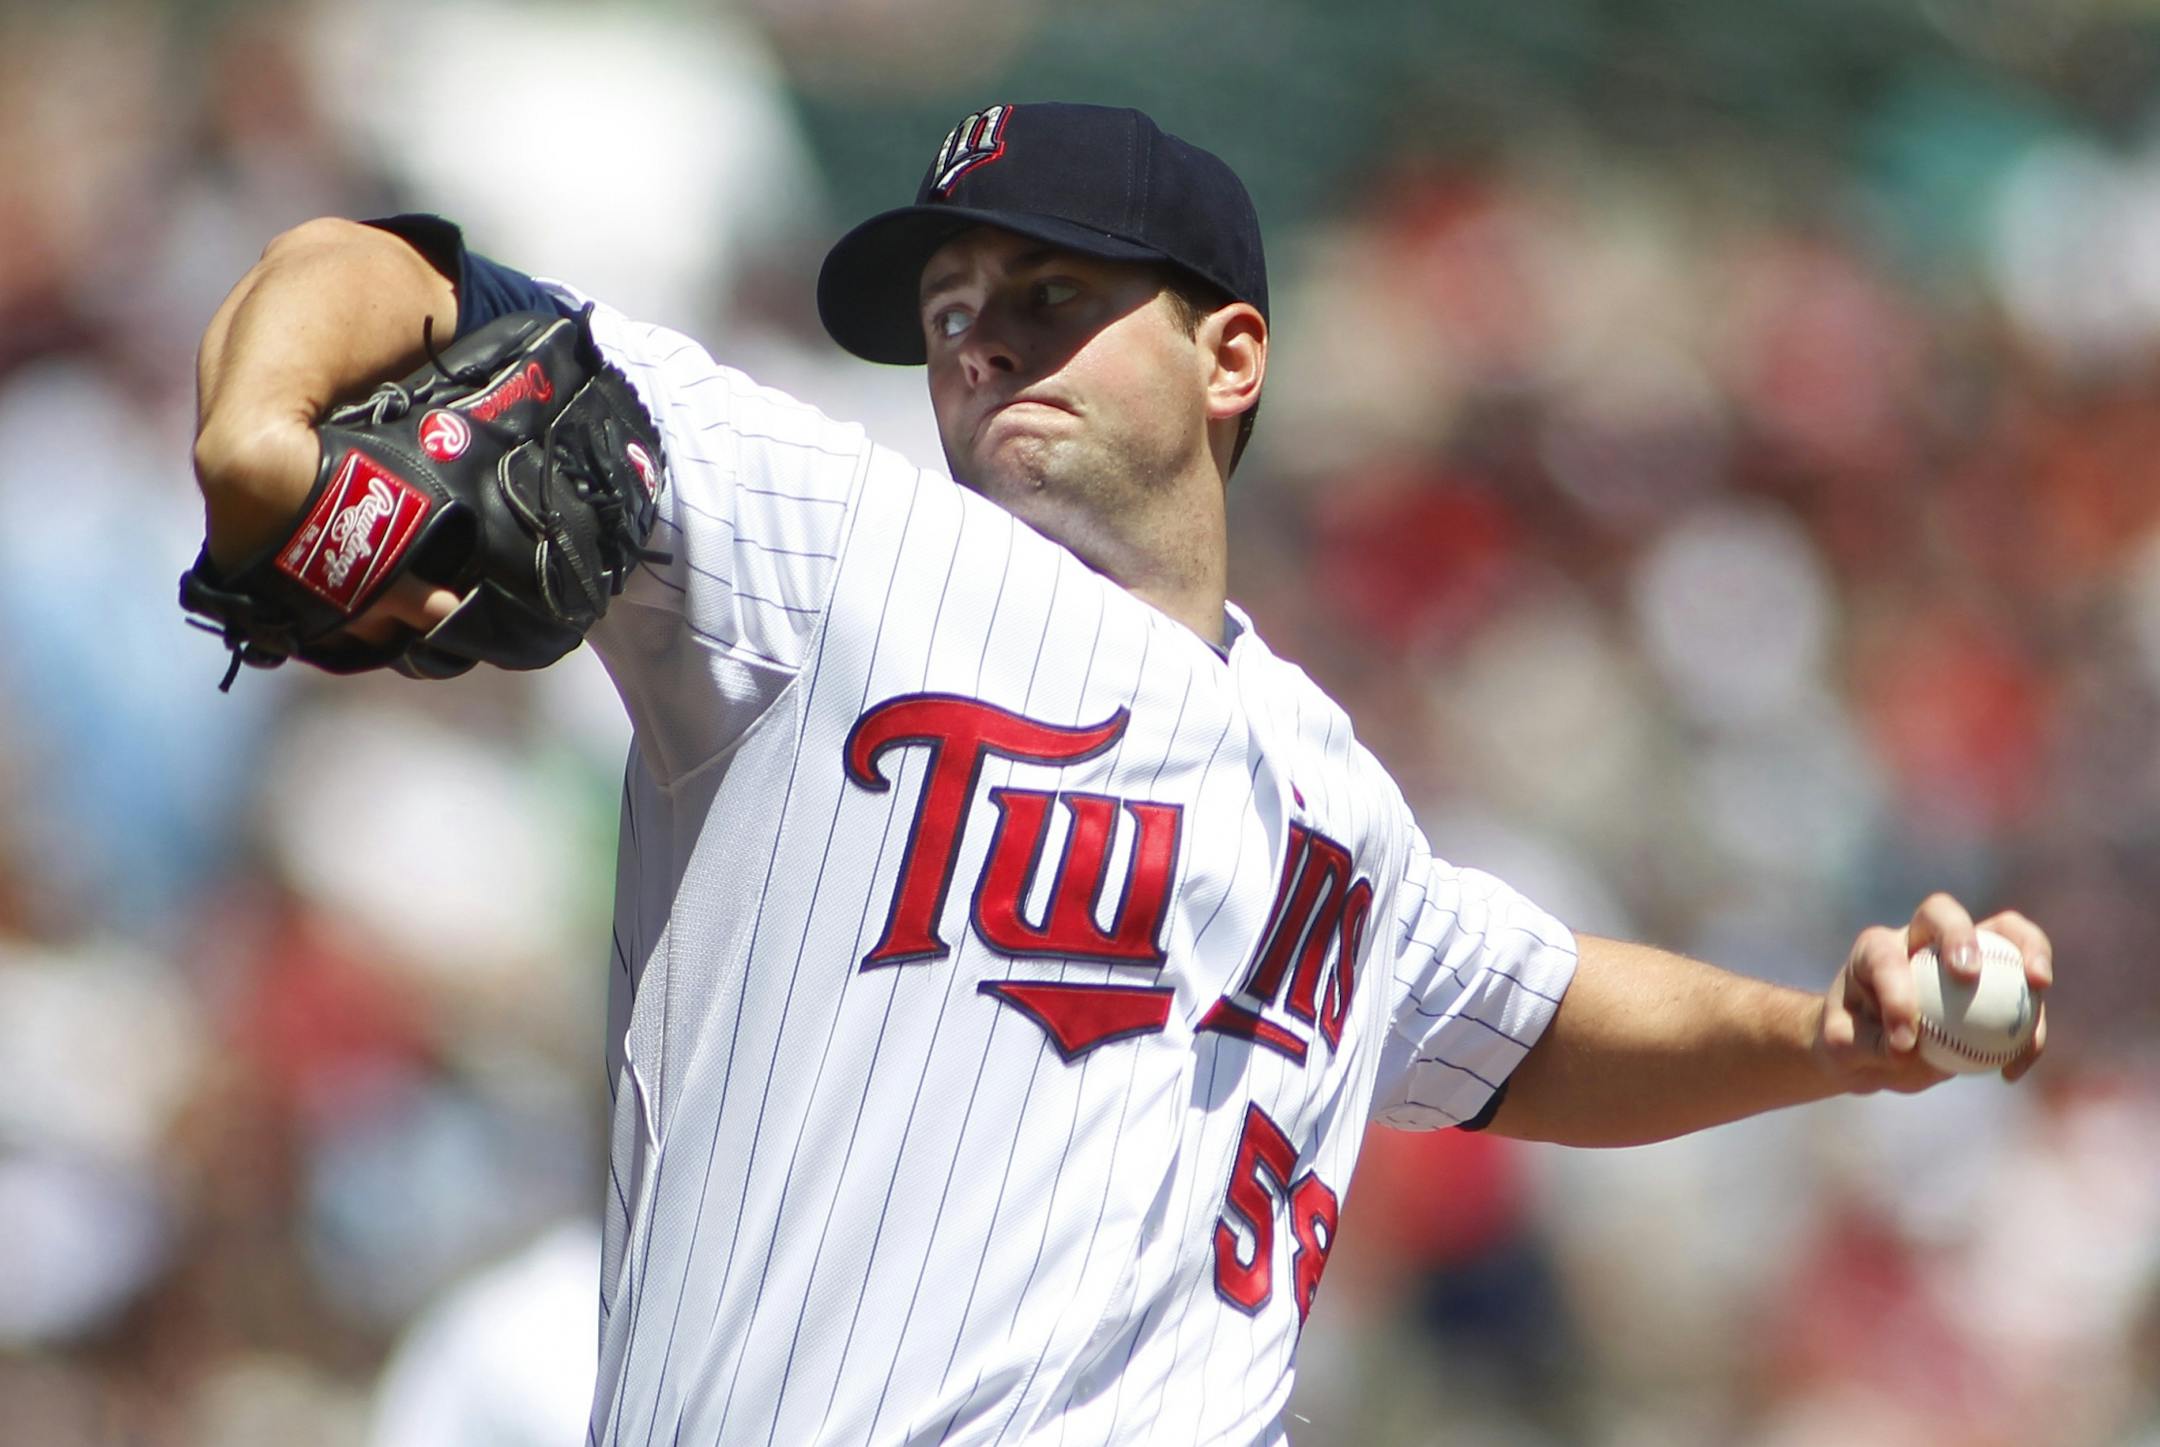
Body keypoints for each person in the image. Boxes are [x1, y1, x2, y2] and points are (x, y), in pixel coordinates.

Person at [188, 101, 2053, 1444]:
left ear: (1231, 354)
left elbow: (1532, 1021)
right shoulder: (837, 547)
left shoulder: (1334, 796)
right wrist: (262, 438)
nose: (980, 332)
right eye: (949, 310)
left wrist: (1825, 1034)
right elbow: (380, 270)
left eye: (1050, 293)